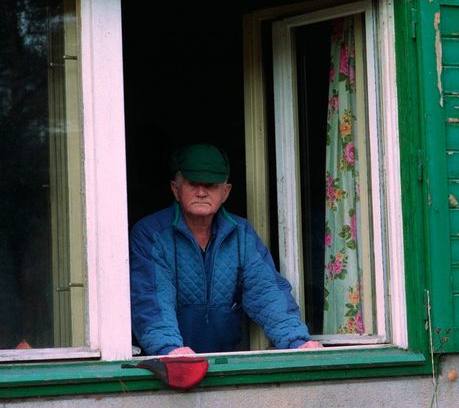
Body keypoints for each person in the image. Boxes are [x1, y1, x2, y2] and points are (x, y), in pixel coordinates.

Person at [130, 144, 321, 355]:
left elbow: (266, 291)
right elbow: (152, 299)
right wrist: (170, 350)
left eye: (211, 185)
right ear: (176, 189)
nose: (202, 192)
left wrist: (297, 342)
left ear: (225, 192)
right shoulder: (151, 234)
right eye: (193, 184)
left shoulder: (241, 233)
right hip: (170, 364)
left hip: (226, 361)